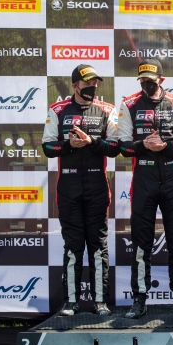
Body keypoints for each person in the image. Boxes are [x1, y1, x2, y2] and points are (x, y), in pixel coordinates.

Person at [118, 58, 173, 319]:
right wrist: (143, 146)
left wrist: (166, 147)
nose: (146, 85)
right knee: (141, 242)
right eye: (142, 81)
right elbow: (123, 146)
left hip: (172, 177)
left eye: (150, 81)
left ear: (161, 79)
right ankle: (139, 299)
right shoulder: (129, 104)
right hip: (144, 177)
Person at [42, 64, 119, 316]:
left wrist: (92, 141)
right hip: (69, 186)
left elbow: (115, 147)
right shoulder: (58, 110)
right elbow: (47, 147)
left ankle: (100, 302)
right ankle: (71, 303)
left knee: (98, 246)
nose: (93, 87)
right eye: (88, 83)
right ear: (75, 85)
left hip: (97, 185)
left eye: (95, 83)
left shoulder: (107, 110)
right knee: (73, 246)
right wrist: (68, 145)